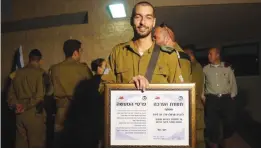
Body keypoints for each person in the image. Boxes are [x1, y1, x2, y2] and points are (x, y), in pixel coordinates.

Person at [101, 1, 183, 90]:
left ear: (154, 22)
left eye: (148, 17)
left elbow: (180, 93)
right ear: (131, 20)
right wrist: (128, 89)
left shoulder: (169, 55)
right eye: (138, 17)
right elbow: (103, 88)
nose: (142, 22)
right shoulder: (118, 53)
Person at [49, 39, 93, 146]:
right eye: (80, 51)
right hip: (79, 113)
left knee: (61, 143)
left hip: (60, 112)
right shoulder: (83, 68)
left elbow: (49, 92)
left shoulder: (54, 69)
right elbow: (91, 90)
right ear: (75, 52)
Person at [7, 49, 47, 147]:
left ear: (29, 59)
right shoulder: (41, 73)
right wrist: (25, 106)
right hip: (34, 113)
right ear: (40, 60)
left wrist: (17, 105)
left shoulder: (17, 73)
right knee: (36, 144)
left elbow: (10, 95)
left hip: (19, 115)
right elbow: (39, 96)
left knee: (21, 144)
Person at [203, 47, 237, 147]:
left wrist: (232, 95)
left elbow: (232, 82)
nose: (208, 56)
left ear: (217, 55)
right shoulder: (205, 69)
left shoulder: (227, 67)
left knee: (230, 120)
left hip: (225, 99)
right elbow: (203, 84)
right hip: (212, 99)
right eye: (208, 54)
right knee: (213, 123)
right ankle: (215, 142)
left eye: (210, 54)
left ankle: (225, 136)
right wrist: (203, 97)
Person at [184, 45, 205, 147]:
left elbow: (195, 87)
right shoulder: (196, 66)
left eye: (186, 54)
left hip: (194, 105)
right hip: (190, 105)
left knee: (198, 136)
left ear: (191, 55)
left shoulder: (195, 67)